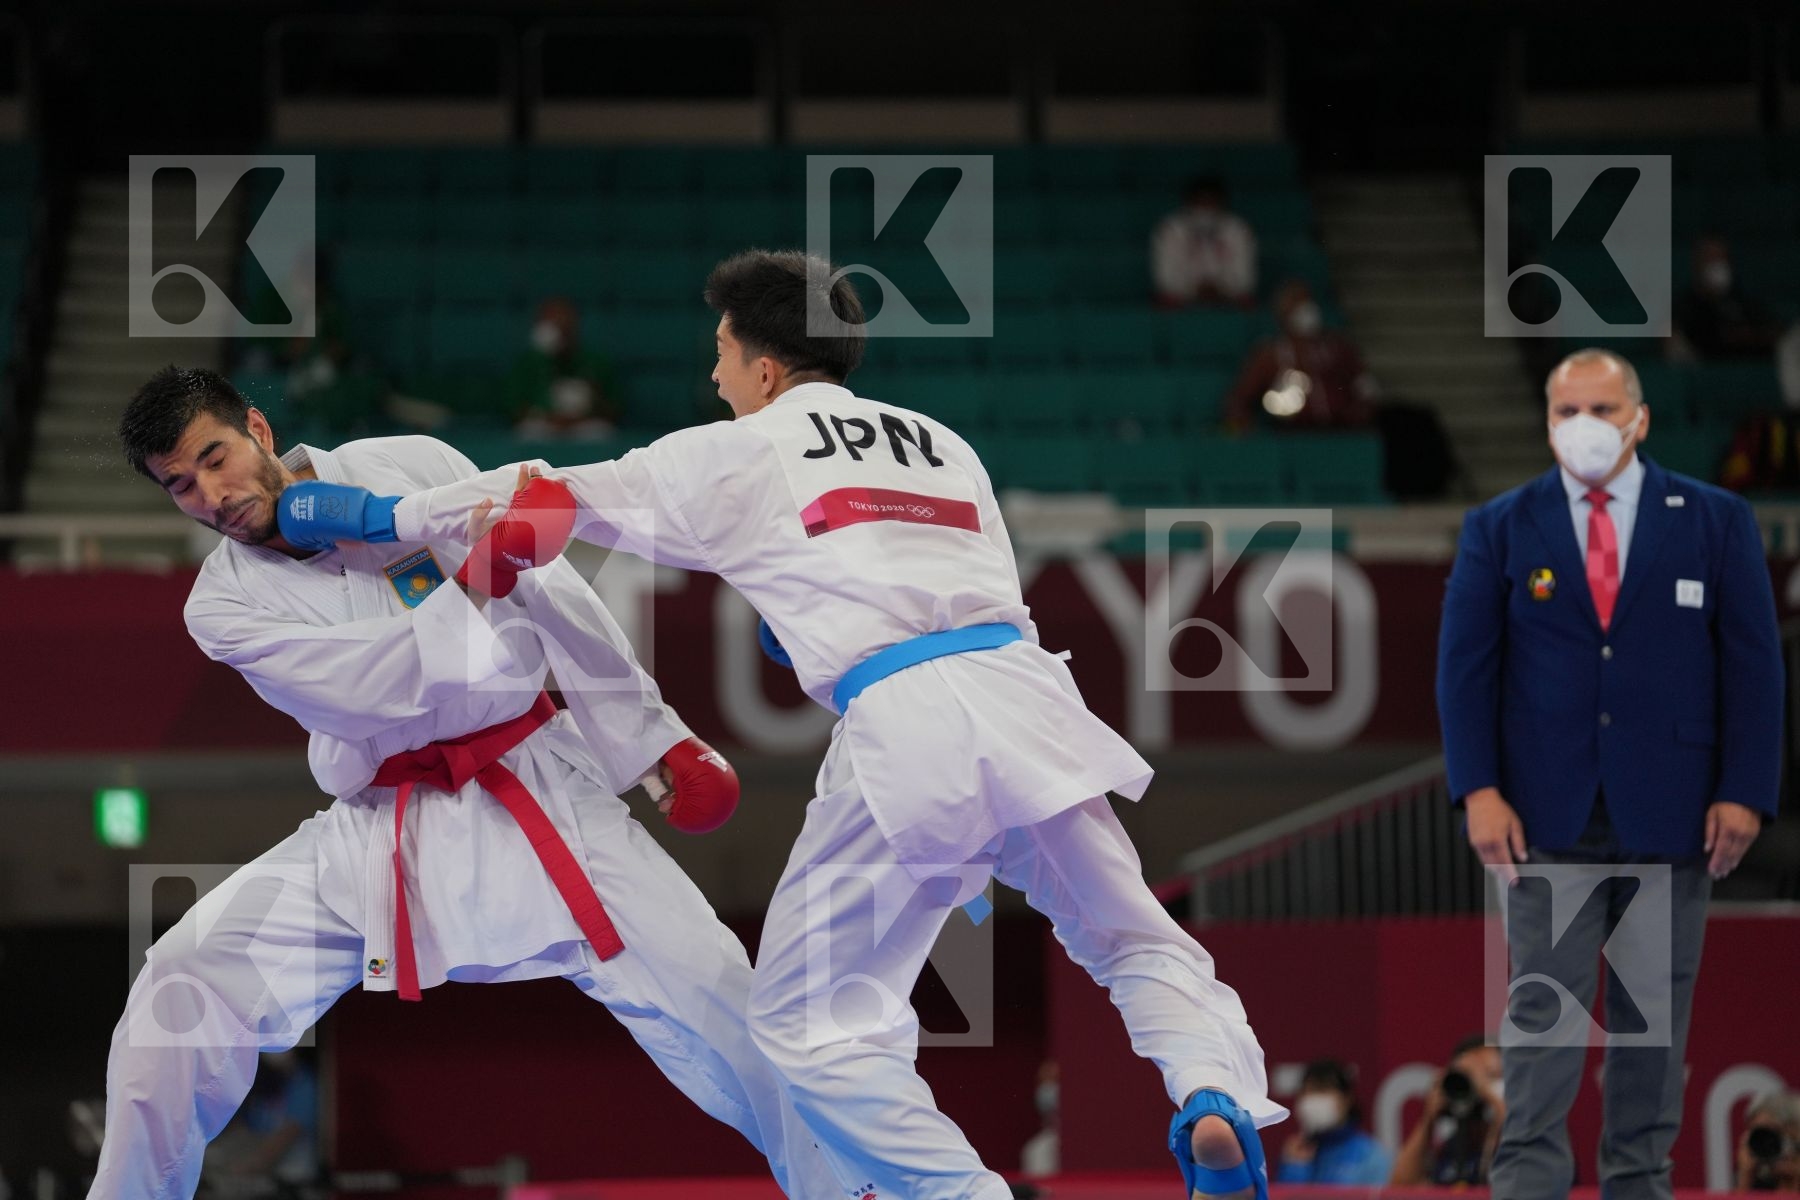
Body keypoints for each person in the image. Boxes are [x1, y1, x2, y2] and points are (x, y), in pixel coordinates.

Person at [279, 250, 1288, 1200]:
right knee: (1130, 937)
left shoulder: (745, 446)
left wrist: (373, 520)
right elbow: (919, 571)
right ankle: (1213, 1091)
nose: (713, 374)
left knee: (807, 1020)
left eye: (720, 354)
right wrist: (798, 623)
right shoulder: (944, 442)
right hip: (1025, 696)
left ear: (763, 367)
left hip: (907, 723)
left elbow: (542, 494)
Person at [95, 367, 841, 1200]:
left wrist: (651, 742)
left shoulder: (405, 464)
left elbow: (554, 594)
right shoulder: (221, 608)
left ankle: (857, 1187)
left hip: (540, 787)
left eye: (215, 456)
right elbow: (370, 688)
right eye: (181, 486)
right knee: (183, 983)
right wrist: (479, 580)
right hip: (378, 828)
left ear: (260, 430)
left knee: (723, 1000)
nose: (212, 494)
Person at [1436, 347, 1781, 1200]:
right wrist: (1478, 789)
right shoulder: (1502, 525)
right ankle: (1528, 1187)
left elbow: (1755, 666)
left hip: (1675, 811)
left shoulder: (1713, 518)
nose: (1582, 427)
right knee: (1542, 1023)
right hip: (1549, 813)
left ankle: (1638, 1184)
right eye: (1565, 412)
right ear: (1547, 421)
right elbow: (1465, 669)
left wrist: (1745, 788)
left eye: (1600, 408)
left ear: (1639, 417)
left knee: (1651, 1028)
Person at [1224, 280, 1375, 431]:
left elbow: (1366, 386)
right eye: (1297, 304)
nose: (1307, 310)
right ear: (1283, 314)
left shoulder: (1338, 347)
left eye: (1308, 302)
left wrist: (1362, 408)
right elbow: (1239, 399)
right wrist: (1242, 423)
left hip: (1340, 432)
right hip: (1294, 436)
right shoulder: (1270, 355)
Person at [1390, 1035, 1506, 1187]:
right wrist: (1428, 1121)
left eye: (1489, 1075)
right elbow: (1400, 1188)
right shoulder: (1448, 1150)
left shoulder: (1516, 1140)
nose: (1476, 1085)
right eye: (1467, 1077)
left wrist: (1491, 1099)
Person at [508, 298, 620, 438]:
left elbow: (613, 409)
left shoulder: (595, 360)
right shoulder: (528, 362)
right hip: (544, 423)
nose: (560, 326)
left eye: (565, 321)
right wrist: (552, 418)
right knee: (528, 431)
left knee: (601, 432)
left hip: (583, 424)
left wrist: (592, 398)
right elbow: (515, 408)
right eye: (554, 321)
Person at [1275, 1059, 1392, 1186]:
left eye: (1323, 1089)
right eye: (1308, 1091)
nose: (1314, 1098)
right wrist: (1295, 1170)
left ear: (1347, 1099)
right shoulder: (1295, 1155)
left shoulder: (1371, 1156)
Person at [1151, 175, 1258, 308]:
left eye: (1211, 202)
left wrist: (1220, 288)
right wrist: (1194, 289)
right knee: (1164, 302)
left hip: (1228, 299)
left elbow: (1245, 279)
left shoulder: (1238, 230)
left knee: (1247, 302)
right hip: (1182, 300)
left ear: (1222, 204)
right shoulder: (1170, 230)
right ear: (1188, 203)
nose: (1205, 209)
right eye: (1200, 202)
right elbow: (1165, 279)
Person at [1671, 236, 1779, 364]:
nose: (1717, 265)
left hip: (1751, 373)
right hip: (1708, 376)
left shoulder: (1743, 302)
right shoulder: (1685, 305)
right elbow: (1703, 341)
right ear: (1697, 264)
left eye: (1722, 258)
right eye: (1710, 259)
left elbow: (1771, 333)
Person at [1737, 1090, 1800, 1193]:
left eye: (1774, 1134)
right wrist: (1745, 1179)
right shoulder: (1758, 1183)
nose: (1766, 1143)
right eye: (1759, 1134)